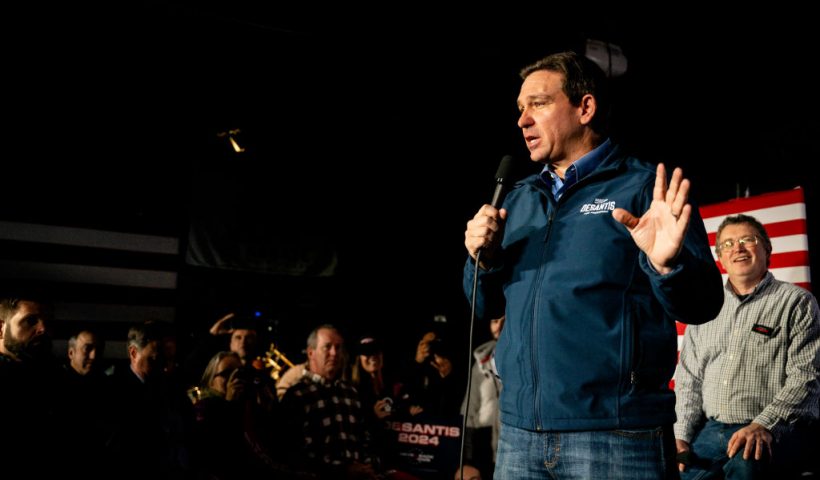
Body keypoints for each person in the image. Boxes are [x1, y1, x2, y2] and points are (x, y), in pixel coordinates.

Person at [462, 50, 724, 479]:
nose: (522, 120)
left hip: (616, 435)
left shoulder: (644, 188)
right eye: (520, 109)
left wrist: (669, 265)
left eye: (539, 104)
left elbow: (703, 306)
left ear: (585, 107)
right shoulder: (519, 198)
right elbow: (483, 305)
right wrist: (483, 260)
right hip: (518, 433)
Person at [674, 214, 820, 479]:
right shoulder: (706, 307)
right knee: (677, 472)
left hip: (776, 428)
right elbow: (689, 380)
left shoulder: (797, 302)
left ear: (767, 249)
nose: (737, 248)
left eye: (747, 240)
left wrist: (763, 424)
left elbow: (805, 378)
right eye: (727, 244)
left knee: (747, 467)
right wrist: (681, 435)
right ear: (719, 257)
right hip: (713, 429)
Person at [459, 314, 504, 480]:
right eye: (495, 320)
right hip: (483, 441)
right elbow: (469, 409)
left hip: (513, 439)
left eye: (504, 320)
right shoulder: (480, 361)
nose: (499, 326)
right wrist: (467, 459)